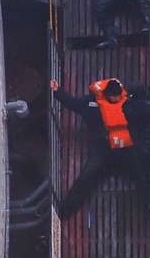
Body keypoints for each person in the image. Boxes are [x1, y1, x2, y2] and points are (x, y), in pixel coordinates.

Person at [51, 77, 141, 220]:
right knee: (85, 180)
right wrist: (57, 91)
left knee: (140, 171)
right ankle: (64, 212)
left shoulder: (125, 101)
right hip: (102, 150)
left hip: (123, 147)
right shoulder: (90, 104)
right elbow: (73, 103)